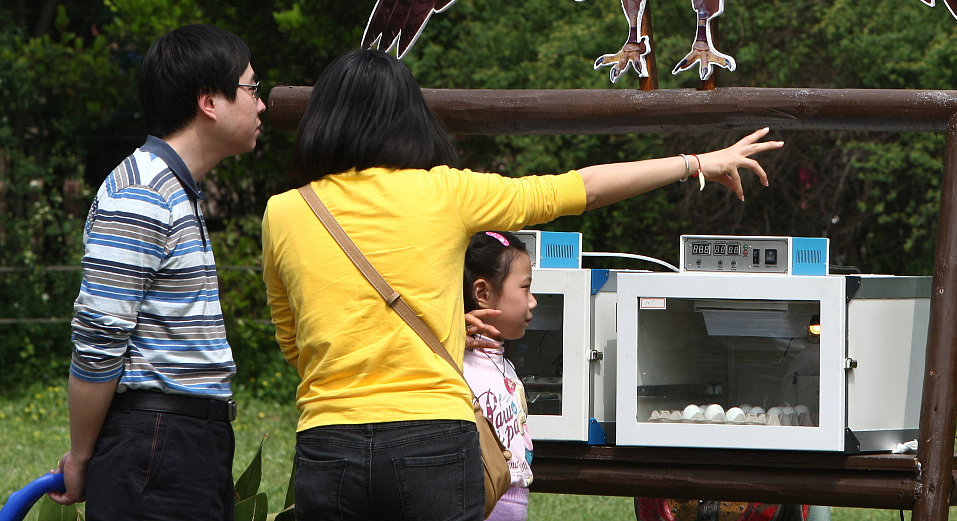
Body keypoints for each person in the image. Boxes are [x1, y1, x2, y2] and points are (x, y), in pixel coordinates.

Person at [261, 47, 782, 521]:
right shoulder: (445, 191)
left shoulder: (285, 212)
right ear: (409, 117)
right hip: (432, 442)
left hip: (328, 444)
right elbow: (578, 189)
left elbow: (297, 345)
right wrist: (697, 162)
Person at [51, 23, 265, 521]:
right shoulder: (141, 193)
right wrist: (82, 456)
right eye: (252, 88)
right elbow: (100, 340)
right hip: (156, 445)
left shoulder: (173, 188)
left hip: (184, 444)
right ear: (209, 101)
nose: (261, 104)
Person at [462, 231, 538, 521]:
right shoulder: (453, 367)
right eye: (525, 288)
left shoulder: (503, 364)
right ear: (482, 294)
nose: (533, 302)